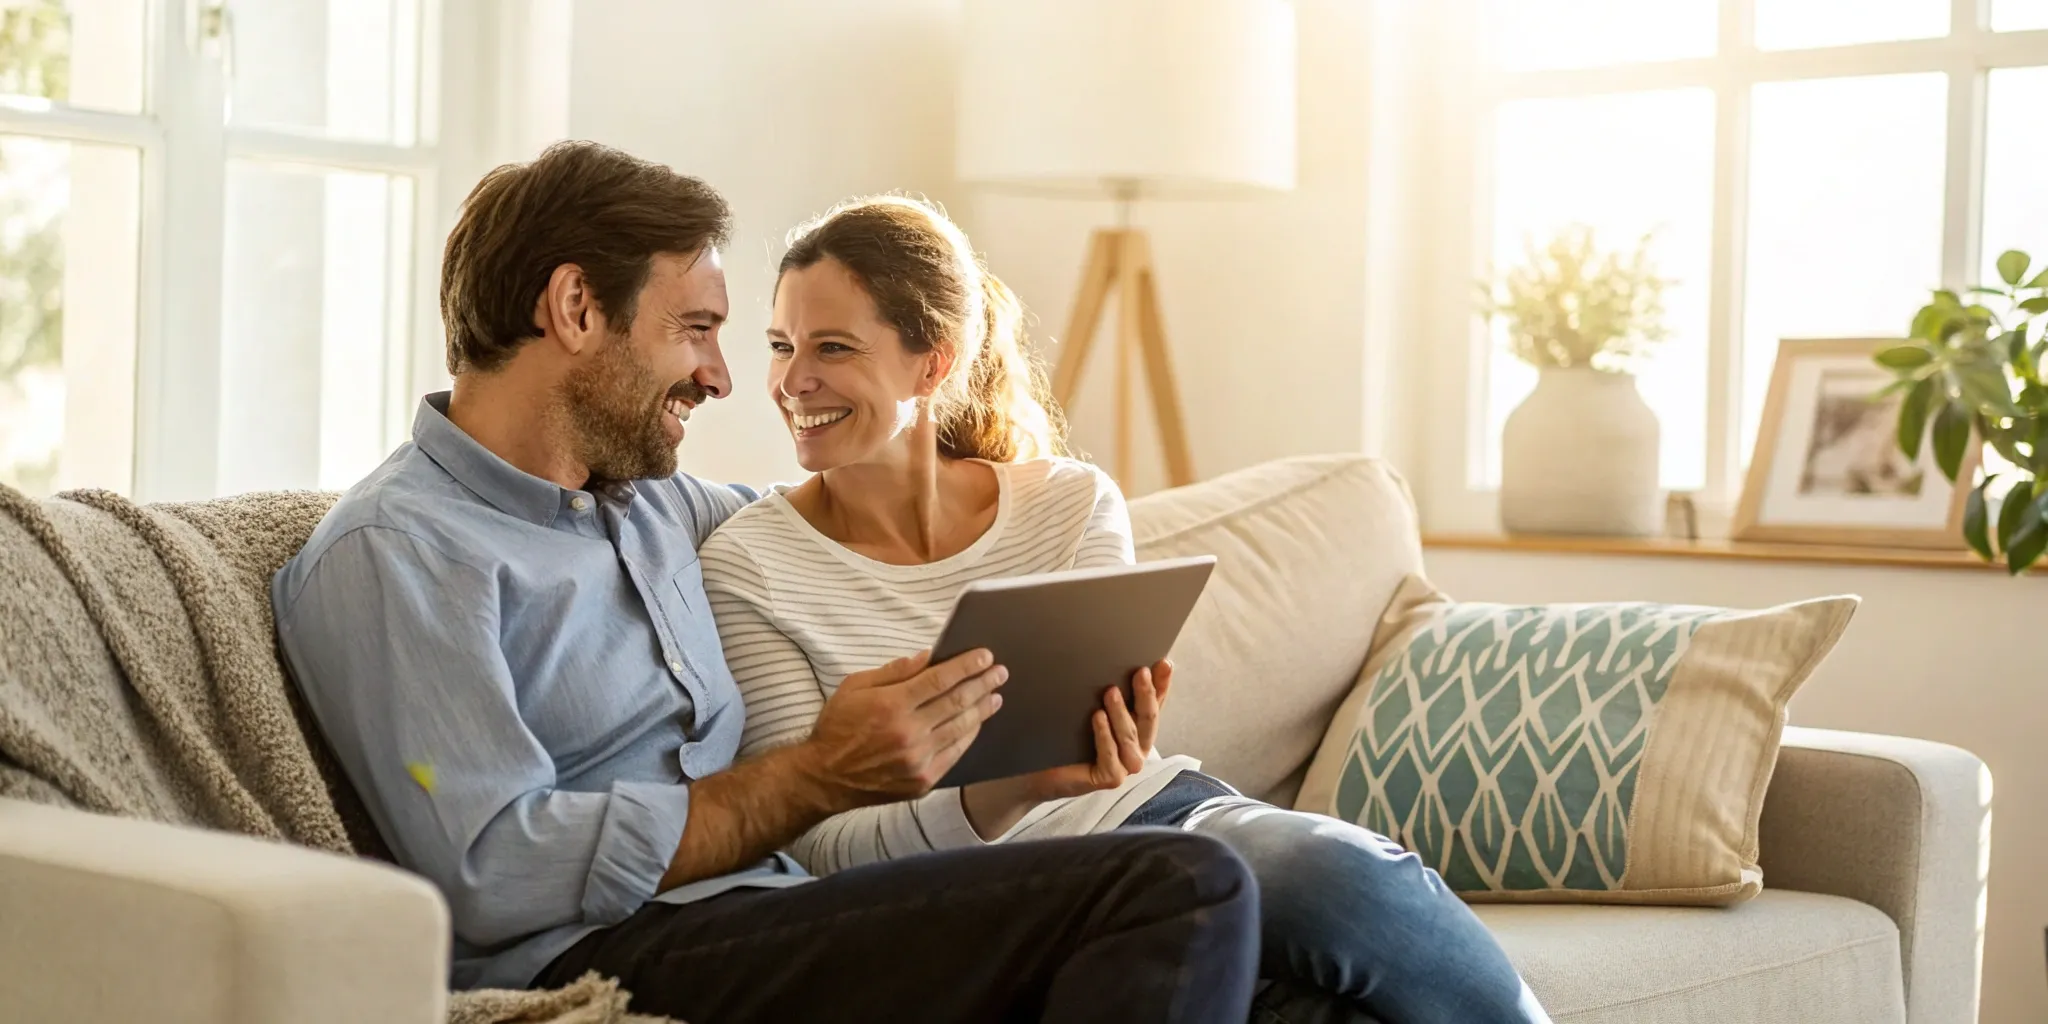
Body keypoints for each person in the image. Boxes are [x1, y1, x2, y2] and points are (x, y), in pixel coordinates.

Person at [271, 141, 1266, 1024]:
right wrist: (813, 774)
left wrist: (998, 512)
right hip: (615, 949)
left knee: (1294, 990)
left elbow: (849, 528)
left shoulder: (662, 508)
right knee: (1183, 884)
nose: (722, 377)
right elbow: (490, 869)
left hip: (781, 909)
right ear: (576, 308)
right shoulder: (398, 553)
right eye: (694, 329)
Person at [697, 195, 1554, 1024]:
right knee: (1310, 921)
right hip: (958, 895)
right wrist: (1003, 794)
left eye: (833, 347)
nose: (791, 381)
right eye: (781, 345)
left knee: (1338, 874)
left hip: (1159, 822)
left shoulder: (1067, 505)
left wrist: (1105, 738)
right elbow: (819, 844)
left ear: (935, 361)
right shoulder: (749, 564)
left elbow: (1115, 752)